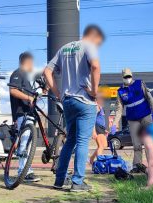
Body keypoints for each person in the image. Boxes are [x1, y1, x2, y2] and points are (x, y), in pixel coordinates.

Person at [44, 24, 105, 192]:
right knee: (82, 142)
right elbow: (95, 66)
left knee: (69, 141)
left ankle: (59, 180)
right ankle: (78, 182)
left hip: (68, 101)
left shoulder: (65, 48)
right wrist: (94, 90)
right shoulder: (89, 46)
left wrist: (58, 93)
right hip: (85, 101)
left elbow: (47, 71)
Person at [112, 68, 153, 173]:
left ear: (132, 76)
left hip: (145, 115)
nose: (127, 78)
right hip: (132, 119)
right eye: (125, 77)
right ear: (122, 77)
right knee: (136, 144)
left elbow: (149, 97)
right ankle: (137, 166)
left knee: (150, 142)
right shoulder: (120, 91)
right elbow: (119, 109)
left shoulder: (139, 83)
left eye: (129, 76)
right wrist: (114, 124)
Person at [8, 51, 40, 183]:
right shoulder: (18, 73)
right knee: (25, 142)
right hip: (22, 114)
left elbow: (31, 97)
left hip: (30, 114)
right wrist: (28, 97)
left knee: (29, 144)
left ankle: (27, 169)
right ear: (27, 62)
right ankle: (23, 171)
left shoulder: (26, 77)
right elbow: (13, 90)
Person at [89, 94, 108, 164]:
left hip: (101, 128)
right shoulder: (96, 107)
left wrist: (104, 129)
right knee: (101, 146)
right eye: (101, 99)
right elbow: (93, 119)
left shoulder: (100, 107)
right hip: (97, 128)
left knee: (104, 145)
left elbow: (100, 119)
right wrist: (93, 131)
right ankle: (99, 162)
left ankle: (91, 158)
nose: (102, 100)